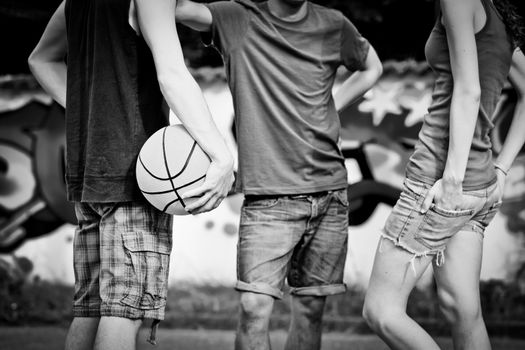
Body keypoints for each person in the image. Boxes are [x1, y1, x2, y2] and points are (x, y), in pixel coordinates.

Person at [175, 0, 383, 349]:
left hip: (329, 192)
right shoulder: (238, 18)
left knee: (310, 309)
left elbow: (371, 67)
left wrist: (332, 103)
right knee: (253, 307)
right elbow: (177, 8)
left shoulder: (333, 24)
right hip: (268, 198)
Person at [28, 0, 234, 349]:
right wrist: (221, 154)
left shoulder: (74, 5)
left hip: (89, 175)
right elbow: (171, 73)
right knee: (125, 310)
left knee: (91, 310)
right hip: (136, 176)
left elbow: (40, 59)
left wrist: (90, 111)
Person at [362, 0, 525, 349]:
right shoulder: (496, 15)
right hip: (479, 187)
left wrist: (451, 178)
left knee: (381, 309)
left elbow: (469, 91)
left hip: (439, 182)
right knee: (463, 312)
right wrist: (501, 168)